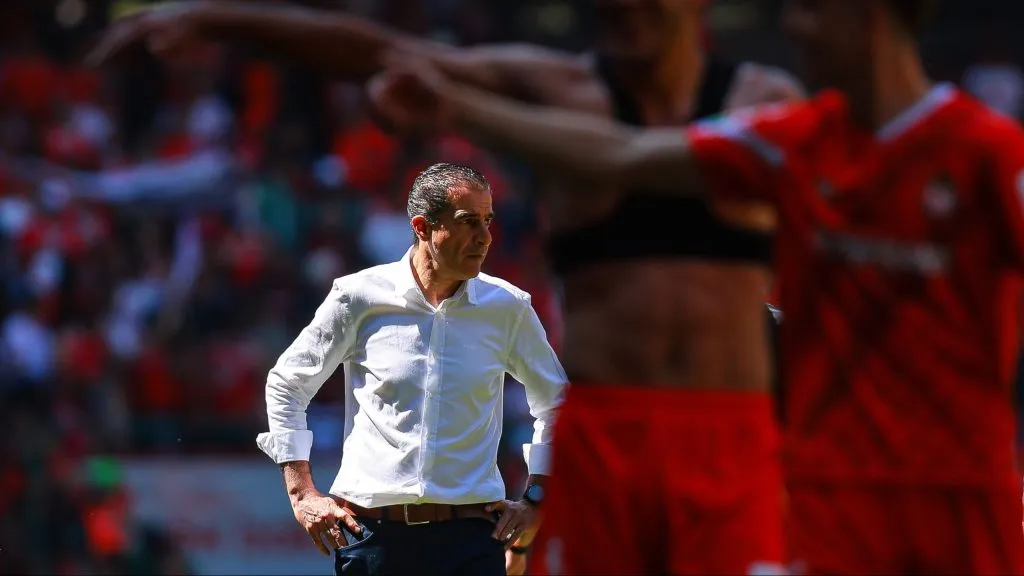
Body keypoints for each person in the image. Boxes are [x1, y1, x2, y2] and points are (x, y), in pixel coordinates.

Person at [89, 3, 801, 573]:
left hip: (726, 440)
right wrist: (221, 19)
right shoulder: (564, 90)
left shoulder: (762, 102)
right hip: (604, 449)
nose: (624, 14)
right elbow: (380, 53)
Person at [368, 0, 1024, 574]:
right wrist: (456, 111)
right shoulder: (790, 139)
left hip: (962, 486)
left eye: (811, 9)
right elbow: (622, 157)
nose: (793, 28)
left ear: (867, 14)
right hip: (830, 490)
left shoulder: (990, 154)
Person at [254, 162, 568, 576]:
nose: (485, 238)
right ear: (422, 227)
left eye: (488, 221)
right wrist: (301, 493)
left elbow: (558, 403)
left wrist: (536, 497)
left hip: (472, 540)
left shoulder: (508, 307)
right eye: (468, 222)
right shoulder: (358, 296)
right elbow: (286, 384)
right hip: (373, 538)